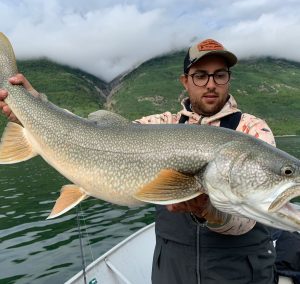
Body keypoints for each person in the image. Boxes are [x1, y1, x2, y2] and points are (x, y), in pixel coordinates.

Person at [0, 39, 292, 284]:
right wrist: (35, 104)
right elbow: (93, 134)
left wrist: (210, 212)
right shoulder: (161, 123)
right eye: (201, 75)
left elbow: (247, 220)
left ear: (229, 78)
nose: (211, 84)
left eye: (220, 74)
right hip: (172, 268)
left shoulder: (252, 130)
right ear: (186, 81)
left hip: (239, 270)